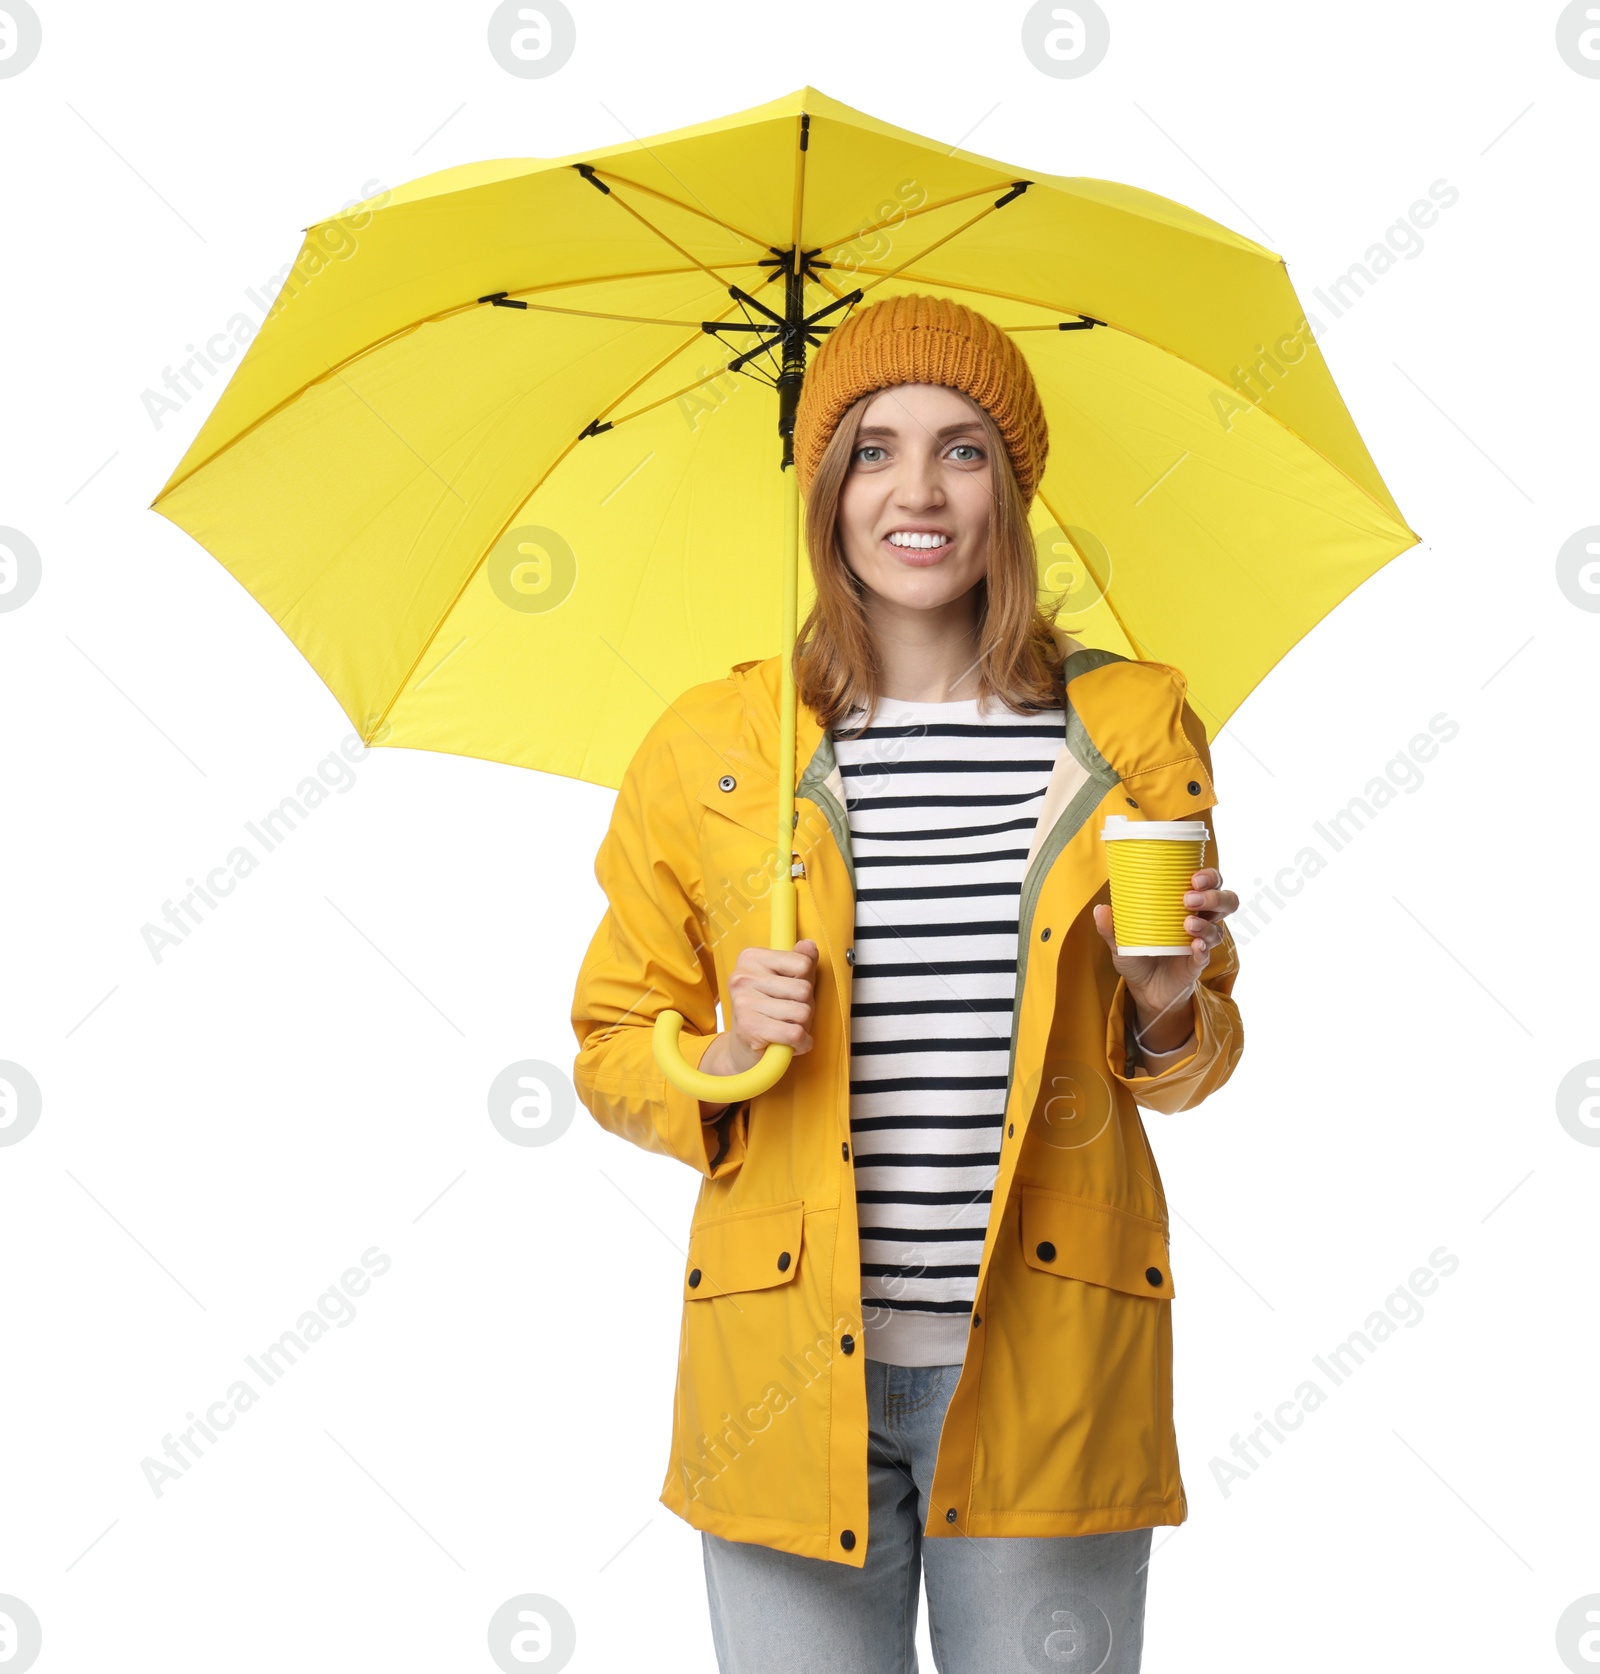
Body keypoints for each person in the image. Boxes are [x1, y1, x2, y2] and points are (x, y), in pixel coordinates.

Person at [570, 292, 1244, 1673]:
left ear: (1013, 484)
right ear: (825, 493)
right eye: (873, 450)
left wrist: (1169, 993)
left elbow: (1188, 1058)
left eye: (964, 449)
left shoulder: (1129, 724)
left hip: (1053, 1356)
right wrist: (726, 1045)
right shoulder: (719, 742)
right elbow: (610, 1042)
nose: (917, 491)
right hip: (784, 1370)